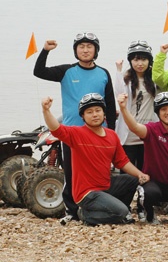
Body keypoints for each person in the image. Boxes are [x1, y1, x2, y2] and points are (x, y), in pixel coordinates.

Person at [33, 32, 117, 224]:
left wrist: (111, 132)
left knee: (100, 173)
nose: (85, 50)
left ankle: (97, 208)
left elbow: (110, 105)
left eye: (89, 46)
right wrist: (45, 51)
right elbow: (39, 72)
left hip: (99, 134)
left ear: (96, 50)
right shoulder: (67, 71)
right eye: (81, 47)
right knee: (71, 173)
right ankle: (71, 210)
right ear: (76, 50)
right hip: (72, 134)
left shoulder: (103, 73)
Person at [41, 93, 148, 226]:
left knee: (131, 181)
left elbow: (122, 162)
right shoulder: (77, 133)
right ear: (83, 116)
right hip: (86, 193)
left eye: (98, 110)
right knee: (121, 211)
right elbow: (56, 129)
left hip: (105, 186)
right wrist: (46, 110)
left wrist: (140, 174)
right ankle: (86, 215)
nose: (95, 115)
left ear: (104, 113)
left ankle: (116, 212)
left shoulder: (112, 135)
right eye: (89, 112)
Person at [117, 91, 168, 224]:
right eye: (163, 109)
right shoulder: (152, 129)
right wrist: (123, 108)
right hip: (154, 183)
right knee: (151, 193)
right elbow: (134, 127)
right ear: (158, 113)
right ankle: (146, 211)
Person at [114, 40, 157, 171]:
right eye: (136, 59)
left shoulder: (154, 80)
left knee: (147, 173)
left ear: (149, 61)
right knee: (127, 175)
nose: (140, 64)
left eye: (144, 59)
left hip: (147, 135)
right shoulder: (126, 79)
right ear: (130, 61)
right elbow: (119, 93)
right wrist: (118, 70)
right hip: (128, 137)